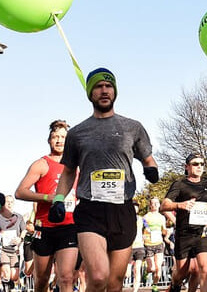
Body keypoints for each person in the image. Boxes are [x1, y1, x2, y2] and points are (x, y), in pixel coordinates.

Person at [51, 67, 158, 292]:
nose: (104, 91)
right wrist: (58, 199)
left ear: (115, 91)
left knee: (115, 283)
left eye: (108, 86)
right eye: (98, 87)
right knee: (98, 277)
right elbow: (69, 171)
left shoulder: (132, 127)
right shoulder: (77, 133)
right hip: (91, 209)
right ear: (90, 93)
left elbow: (148, 159)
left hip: (123, 210)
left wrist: (151, 170)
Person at [15, 119, 79, 292]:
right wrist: (48, 197)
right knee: (42, 279)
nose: (59, 140)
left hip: (69, 227)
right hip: (45, 228)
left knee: (66, 277)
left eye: (63, 137)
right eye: (55, 137)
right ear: (49, 140)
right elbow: (20, 192)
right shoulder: (41, 164)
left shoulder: (76, 166)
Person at [163, 153, 207, 292]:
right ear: (187, 167)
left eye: (201, 164)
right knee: (182, 272)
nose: (199, 166)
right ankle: (175, 284)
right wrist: (180, 205)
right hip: (184, 233)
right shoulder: (180, 184)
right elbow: (164, 205)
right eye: (195, 164)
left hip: (203, 232)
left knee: (205, 269)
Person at [141, 199, 169, 289]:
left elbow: (163, 230)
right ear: (150, 205)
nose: (156, 205)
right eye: (154, 203)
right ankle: (146, 271)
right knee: (152, 268)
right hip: (148, 244)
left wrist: (166, 231)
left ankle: (154, 285)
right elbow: (142, 230)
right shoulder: (145, 217)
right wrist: (143, 238)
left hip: (159, 244)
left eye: (157, 203)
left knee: (158, 268)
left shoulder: (162, 217)